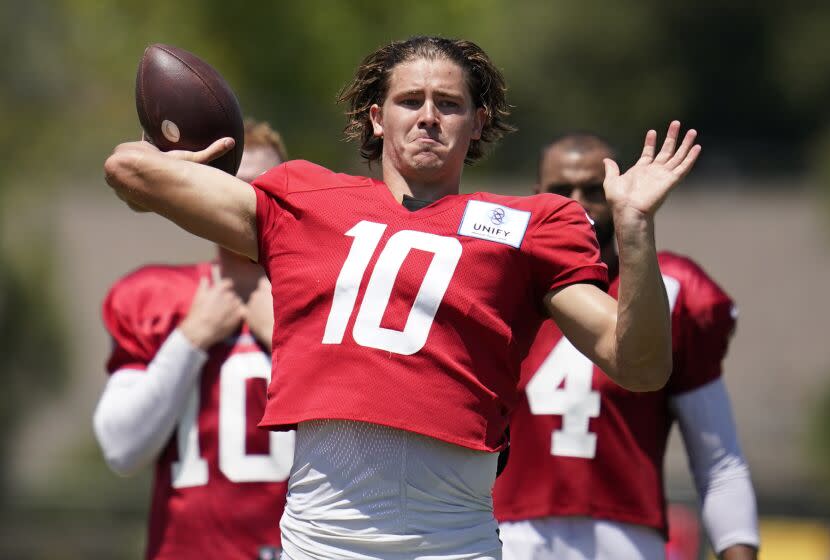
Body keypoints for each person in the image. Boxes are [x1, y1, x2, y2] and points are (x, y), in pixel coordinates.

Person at [103, 36, 700, 560]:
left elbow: (640, 365)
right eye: (410, 101)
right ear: (377, 118)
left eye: (450, 104)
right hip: (320, 536)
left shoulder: (528, 225)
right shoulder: (305, 198)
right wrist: (207, 162)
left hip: (452, 538)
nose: (429, 117)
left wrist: (635, 228)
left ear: (477, 122)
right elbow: (130, 168)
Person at [493, 133, 760, 560]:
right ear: (538, 197)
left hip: (626, 539)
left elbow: (719, 461)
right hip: (506, 533)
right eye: (563, 191)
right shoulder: (499, 285)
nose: (578, 204)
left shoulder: (674, 292)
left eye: (595, 190)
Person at [93, 120, 294, 560]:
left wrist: (286, 338)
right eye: (235, 188)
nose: (247, 204)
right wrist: (190, 339)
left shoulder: (322, 303)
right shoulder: (160, 299)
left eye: (265, 192)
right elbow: (122, 448)